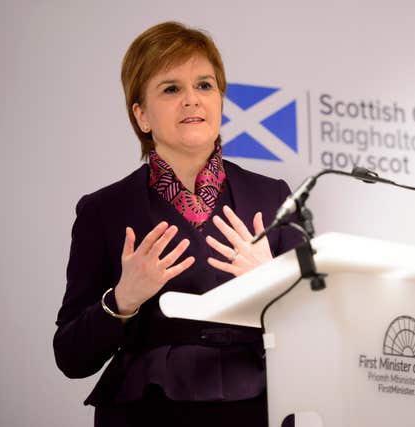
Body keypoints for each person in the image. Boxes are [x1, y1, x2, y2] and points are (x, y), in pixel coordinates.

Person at [53, 21, 300, 426]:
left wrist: (271, 281)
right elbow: (70, 356)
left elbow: (319, 327)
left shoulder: (273, 196)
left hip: (257, 407)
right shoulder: (103, 210)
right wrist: (122, 301)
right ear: (142, 116)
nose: (192, 100)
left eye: (204, 85)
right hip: (146, 410)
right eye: (171, 89)